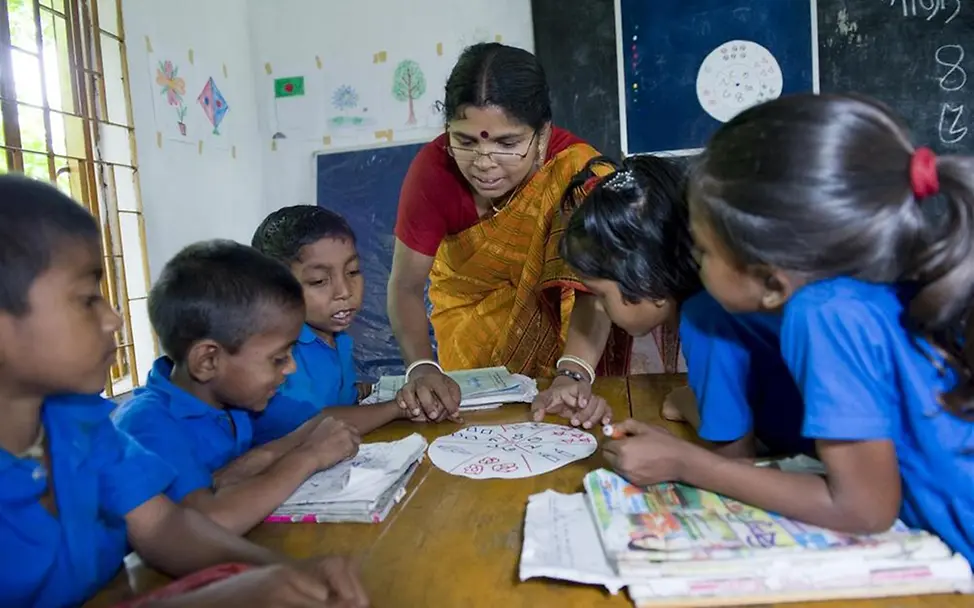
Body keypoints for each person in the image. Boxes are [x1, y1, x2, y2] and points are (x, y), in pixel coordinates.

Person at [603, 93, 974, 562]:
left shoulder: (823, 314)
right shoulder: (879, 278)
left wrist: (685, 462)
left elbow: (864, 509)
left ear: (771, 281)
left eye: (704, 251)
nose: (695, 266)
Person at [0, 175, 367, 607]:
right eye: (86, 299)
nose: (114, 320)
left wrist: (279, 570)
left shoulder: (78, 423)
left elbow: (162, 528)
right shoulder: (136, 421)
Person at [387, 42, 628, 425]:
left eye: (507, 143)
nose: (484, 163)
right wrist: (421, 368)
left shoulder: (577, 173)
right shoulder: (433, 172)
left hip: (575, 350)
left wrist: (573, 373)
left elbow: (596, 288)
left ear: (543, 134)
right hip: (468, 360)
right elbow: (404, 286)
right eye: (466, 141)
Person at [536, 155, 808, 456]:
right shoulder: (713, 302)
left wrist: (685, 407)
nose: (601, 308)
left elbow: (735, 459)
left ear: (647, 278)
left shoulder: (704, 319)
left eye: (601, 294)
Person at [114, 240, 360, 535]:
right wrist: (308, 457)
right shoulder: (148, 425)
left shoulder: (231, 402)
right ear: (208, 361)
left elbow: (314, 424)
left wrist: (265, 458)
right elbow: (207, 525)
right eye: (278, 358)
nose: (291, 368)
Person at [249, 205, 426, 444]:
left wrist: (355, 393)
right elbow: (313, 425)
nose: (344, 291)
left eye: (353, 272)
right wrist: (398, 407)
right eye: (319, 280)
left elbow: (335, 403)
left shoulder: (337, 338)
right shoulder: (280, 351)